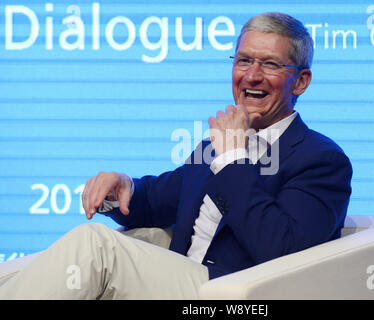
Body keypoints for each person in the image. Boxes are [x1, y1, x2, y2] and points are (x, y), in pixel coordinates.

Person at [0, 12, 352, 299]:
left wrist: (233, 161)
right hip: (183, 279)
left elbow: (281, 249)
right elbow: (159, 198)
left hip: (232, 295)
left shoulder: (320, 160)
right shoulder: (217, 143)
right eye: (244, 60)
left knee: (97, 247)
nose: (251, 75)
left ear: (301, 81)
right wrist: (123, 188)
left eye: (270, 64)